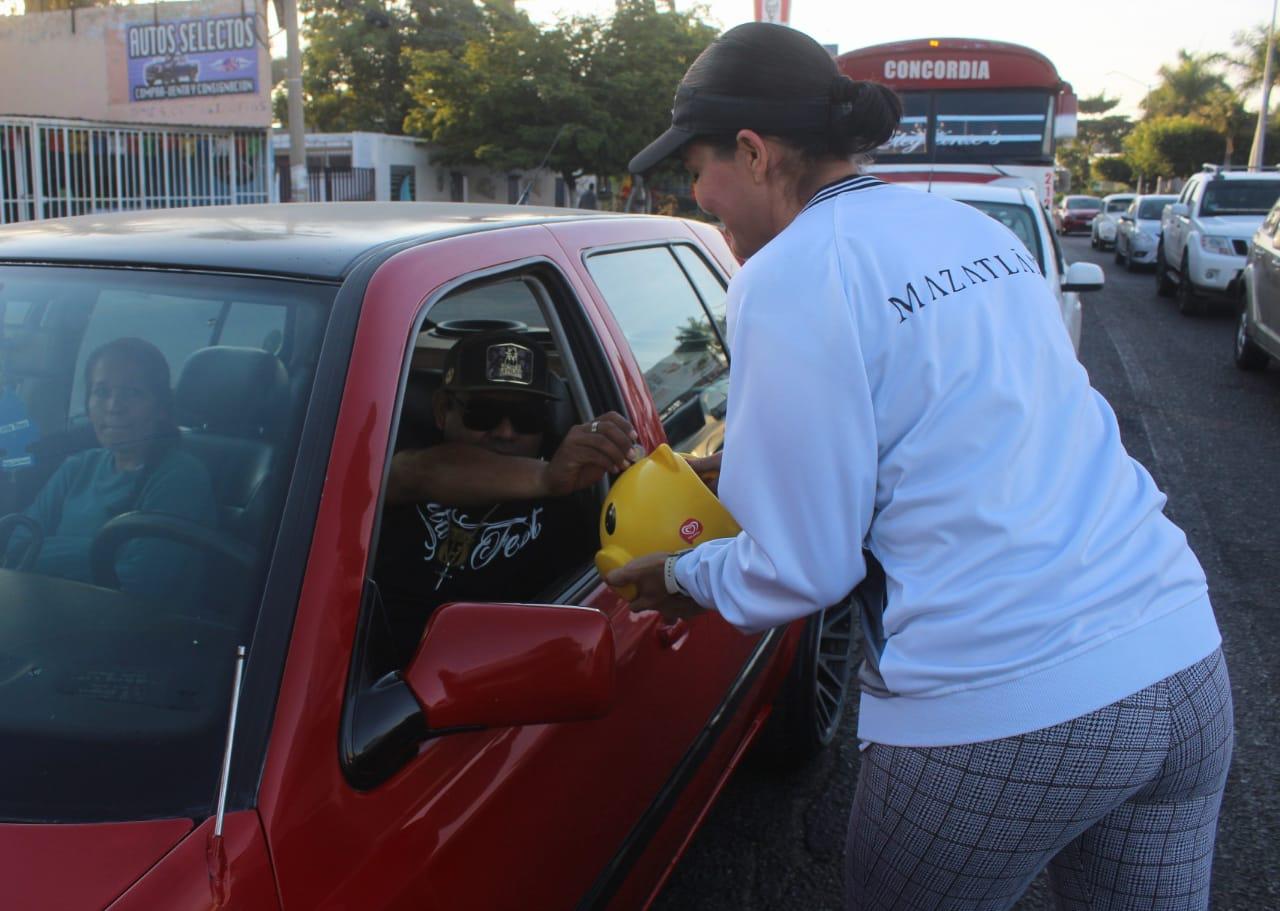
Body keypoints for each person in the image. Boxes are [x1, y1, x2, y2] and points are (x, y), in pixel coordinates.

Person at [608, 22, 1233, 911]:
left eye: (698, 172)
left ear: (752, 153)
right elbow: (964, 428)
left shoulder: (789, 273)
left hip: (1004, 710)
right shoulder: (963, 228)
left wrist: (679, 575)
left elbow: (804, 568)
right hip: (1179, 658)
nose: (699, 196)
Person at [373, 329, 639, 665]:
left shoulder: (572, 506)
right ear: (442, 410)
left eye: (527, 418)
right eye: (482, 414)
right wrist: (545, 477)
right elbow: (416, 473)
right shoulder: (399, 464)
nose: (506, 432)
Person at [4, 337, 217, 604]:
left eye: (132, 393)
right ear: (89, 404)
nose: (114, 406)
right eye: (102, 392)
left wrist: (47, 548)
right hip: (46, 612)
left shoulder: (182, 477)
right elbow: (17, 545)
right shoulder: (78, 467)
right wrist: (105, 552)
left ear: (161, 408)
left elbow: (140, 581)